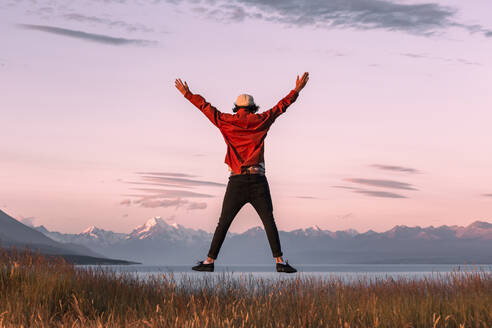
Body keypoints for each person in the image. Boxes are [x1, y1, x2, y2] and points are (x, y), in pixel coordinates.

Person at [175, 72, 309, 273]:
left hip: (236, 180)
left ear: (237, 108)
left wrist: (188, 94)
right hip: (258, 180)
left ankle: (209, 262)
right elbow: (280, 107)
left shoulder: (226, 121)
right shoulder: (261, 120)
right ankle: (280, 262)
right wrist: (296, 90)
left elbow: (206, 108)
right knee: (269, 221)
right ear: (253, 108)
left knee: (223, 223)